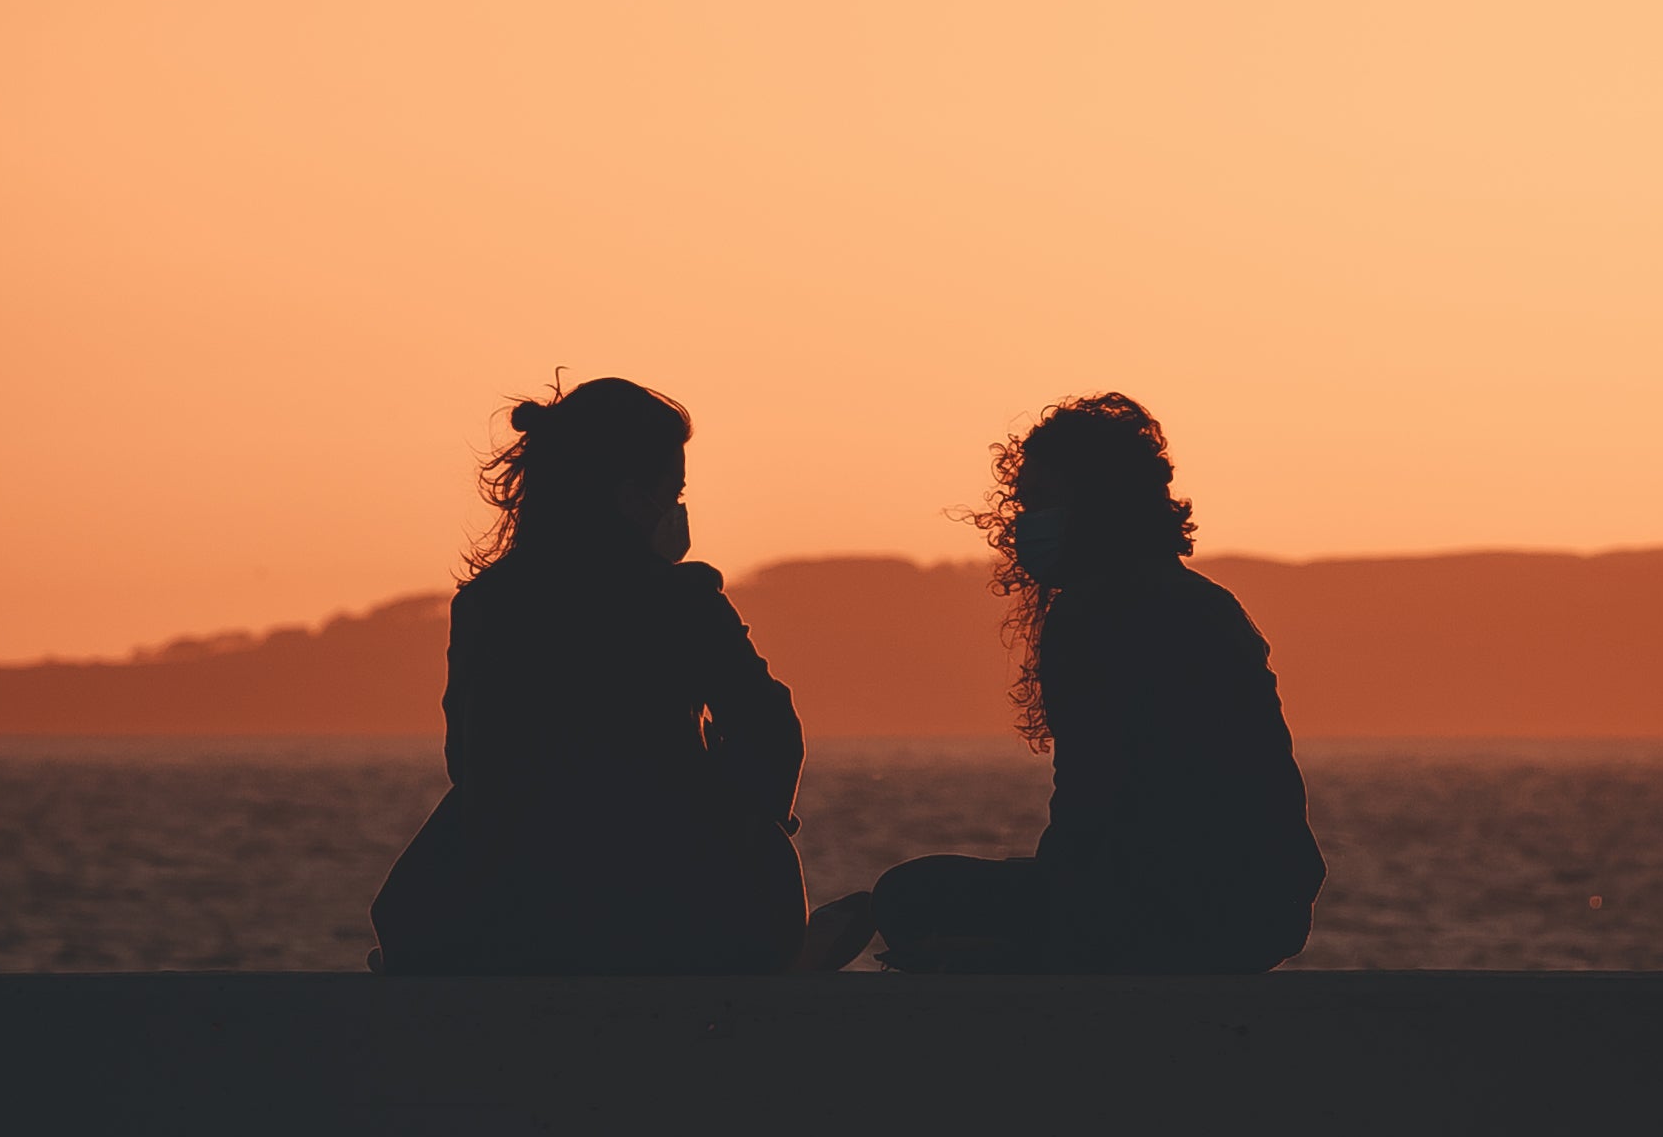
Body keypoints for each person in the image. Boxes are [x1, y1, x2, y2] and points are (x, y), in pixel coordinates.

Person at [862, 393, 1325, 974]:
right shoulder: (1206, 601)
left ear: (1100, 506)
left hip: (1173, 912)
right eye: (1024, 505)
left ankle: (1024, 961)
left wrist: (1055, 912)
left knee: (907, 897)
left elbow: (1092, 800)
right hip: (1265, 911)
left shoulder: (1097, 613)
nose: (1027, 523)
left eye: (1044, 504)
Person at [370, 377, 811, 974]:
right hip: (663, 901)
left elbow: (468, 760)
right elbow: (769, 729)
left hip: (506, 907)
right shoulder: (681, 600)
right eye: (673, 491)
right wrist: (740, 816)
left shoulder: (486, 604)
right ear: (631, 497)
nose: (679, 509)